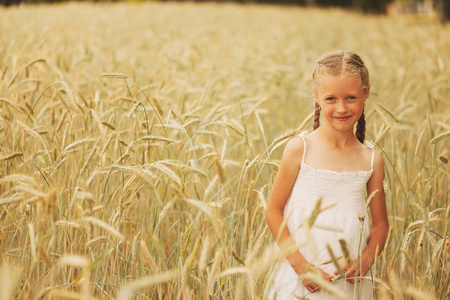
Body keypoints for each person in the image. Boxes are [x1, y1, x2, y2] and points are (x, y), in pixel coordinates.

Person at [265, 51, 389, 299]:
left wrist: (366, 259)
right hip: (299, 277)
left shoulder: (372, 160)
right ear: (316, 96)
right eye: (331, 98)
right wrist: (300, 266)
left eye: (351, 97)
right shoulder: (299, 150)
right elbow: (273, 211)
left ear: (366, 93)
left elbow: (381, 225)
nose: (341, 108)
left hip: (349, 284)